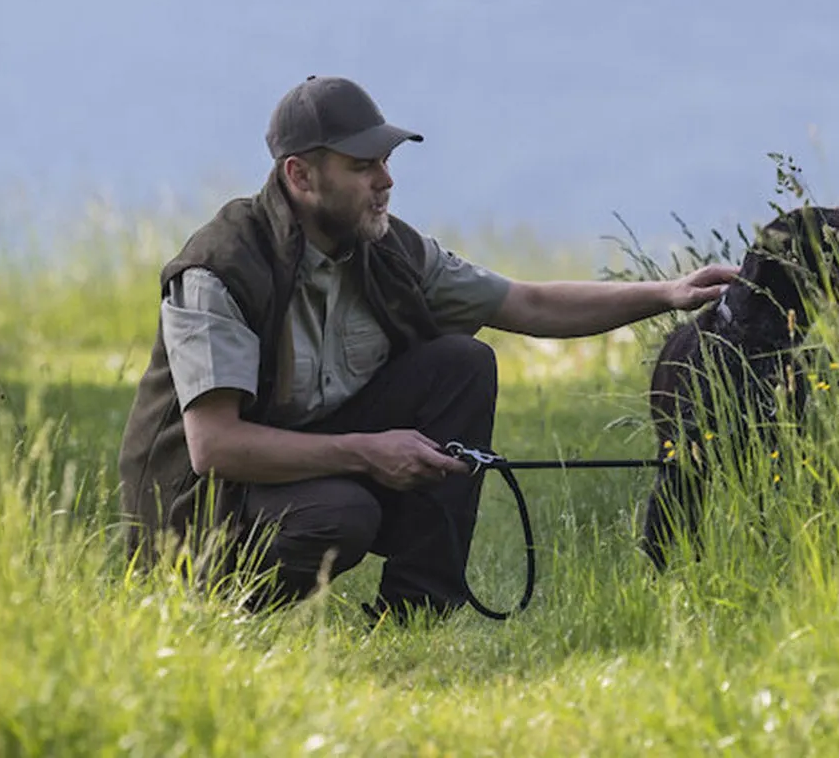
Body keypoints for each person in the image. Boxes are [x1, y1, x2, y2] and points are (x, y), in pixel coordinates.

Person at [117, 76, 737, 620]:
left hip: (308, 468)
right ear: (300, 175)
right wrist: (366, 452)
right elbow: (215, 447)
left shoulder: (388, 249)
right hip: (202, 521)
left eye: (386, 161)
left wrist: (668, 292)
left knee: (461, 365)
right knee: (341, 512)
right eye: (362, 166)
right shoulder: (219, 268)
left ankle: (416, 610)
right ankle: (215, 611)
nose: (386, 181)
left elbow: (527, 303)